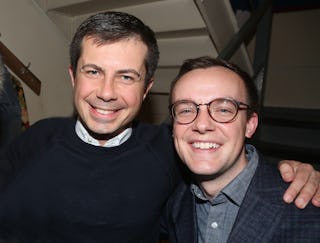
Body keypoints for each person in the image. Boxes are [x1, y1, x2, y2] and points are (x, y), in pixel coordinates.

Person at [0, 11, 318, 242]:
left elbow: (230, 167)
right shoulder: (38, 137)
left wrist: (296, 172)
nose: (106, 92)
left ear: (147, 88)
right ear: (73, 77)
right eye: (93, 71)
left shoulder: (170, 151)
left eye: (126, 76)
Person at [163, 56, 320, 242]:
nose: (202, 125)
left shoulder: (307, 211)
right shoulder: (174, 197)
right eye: (186, 110)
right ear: (173, 126)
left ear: (250, 125)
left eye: (224, 110)